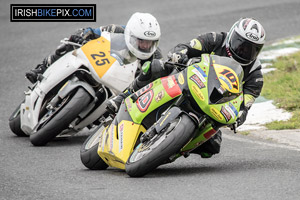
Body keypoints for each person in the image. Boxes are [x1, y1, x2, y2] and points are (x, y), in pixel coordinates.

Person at [107, 17, 266, 158]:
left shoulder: (255, 74)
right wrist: (180, 54)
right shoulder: (215, 39)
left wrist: (240, 115)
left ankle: (172, 148)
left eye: (251, 49)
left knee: (212, 147)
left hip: (213, 103)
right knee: (154, 67)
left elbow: (246, 103)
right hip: (188, 79)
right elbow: (188, 46)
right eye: (241, 45)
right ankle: (122, 97)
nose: (244, 51)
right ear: (232, 36)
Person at [25, 12, 162, 84]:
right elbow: (90, 31)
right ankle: (41, 68)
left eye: (149, 43)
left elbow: (160, 78)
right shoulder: (117, 30)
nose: (145, 46)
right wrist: (83, 36)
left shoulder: (155, 56)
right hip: (101, 63)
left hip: (120, 85)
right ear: (132, 36)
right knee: (70, 43)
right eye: (141, 41)